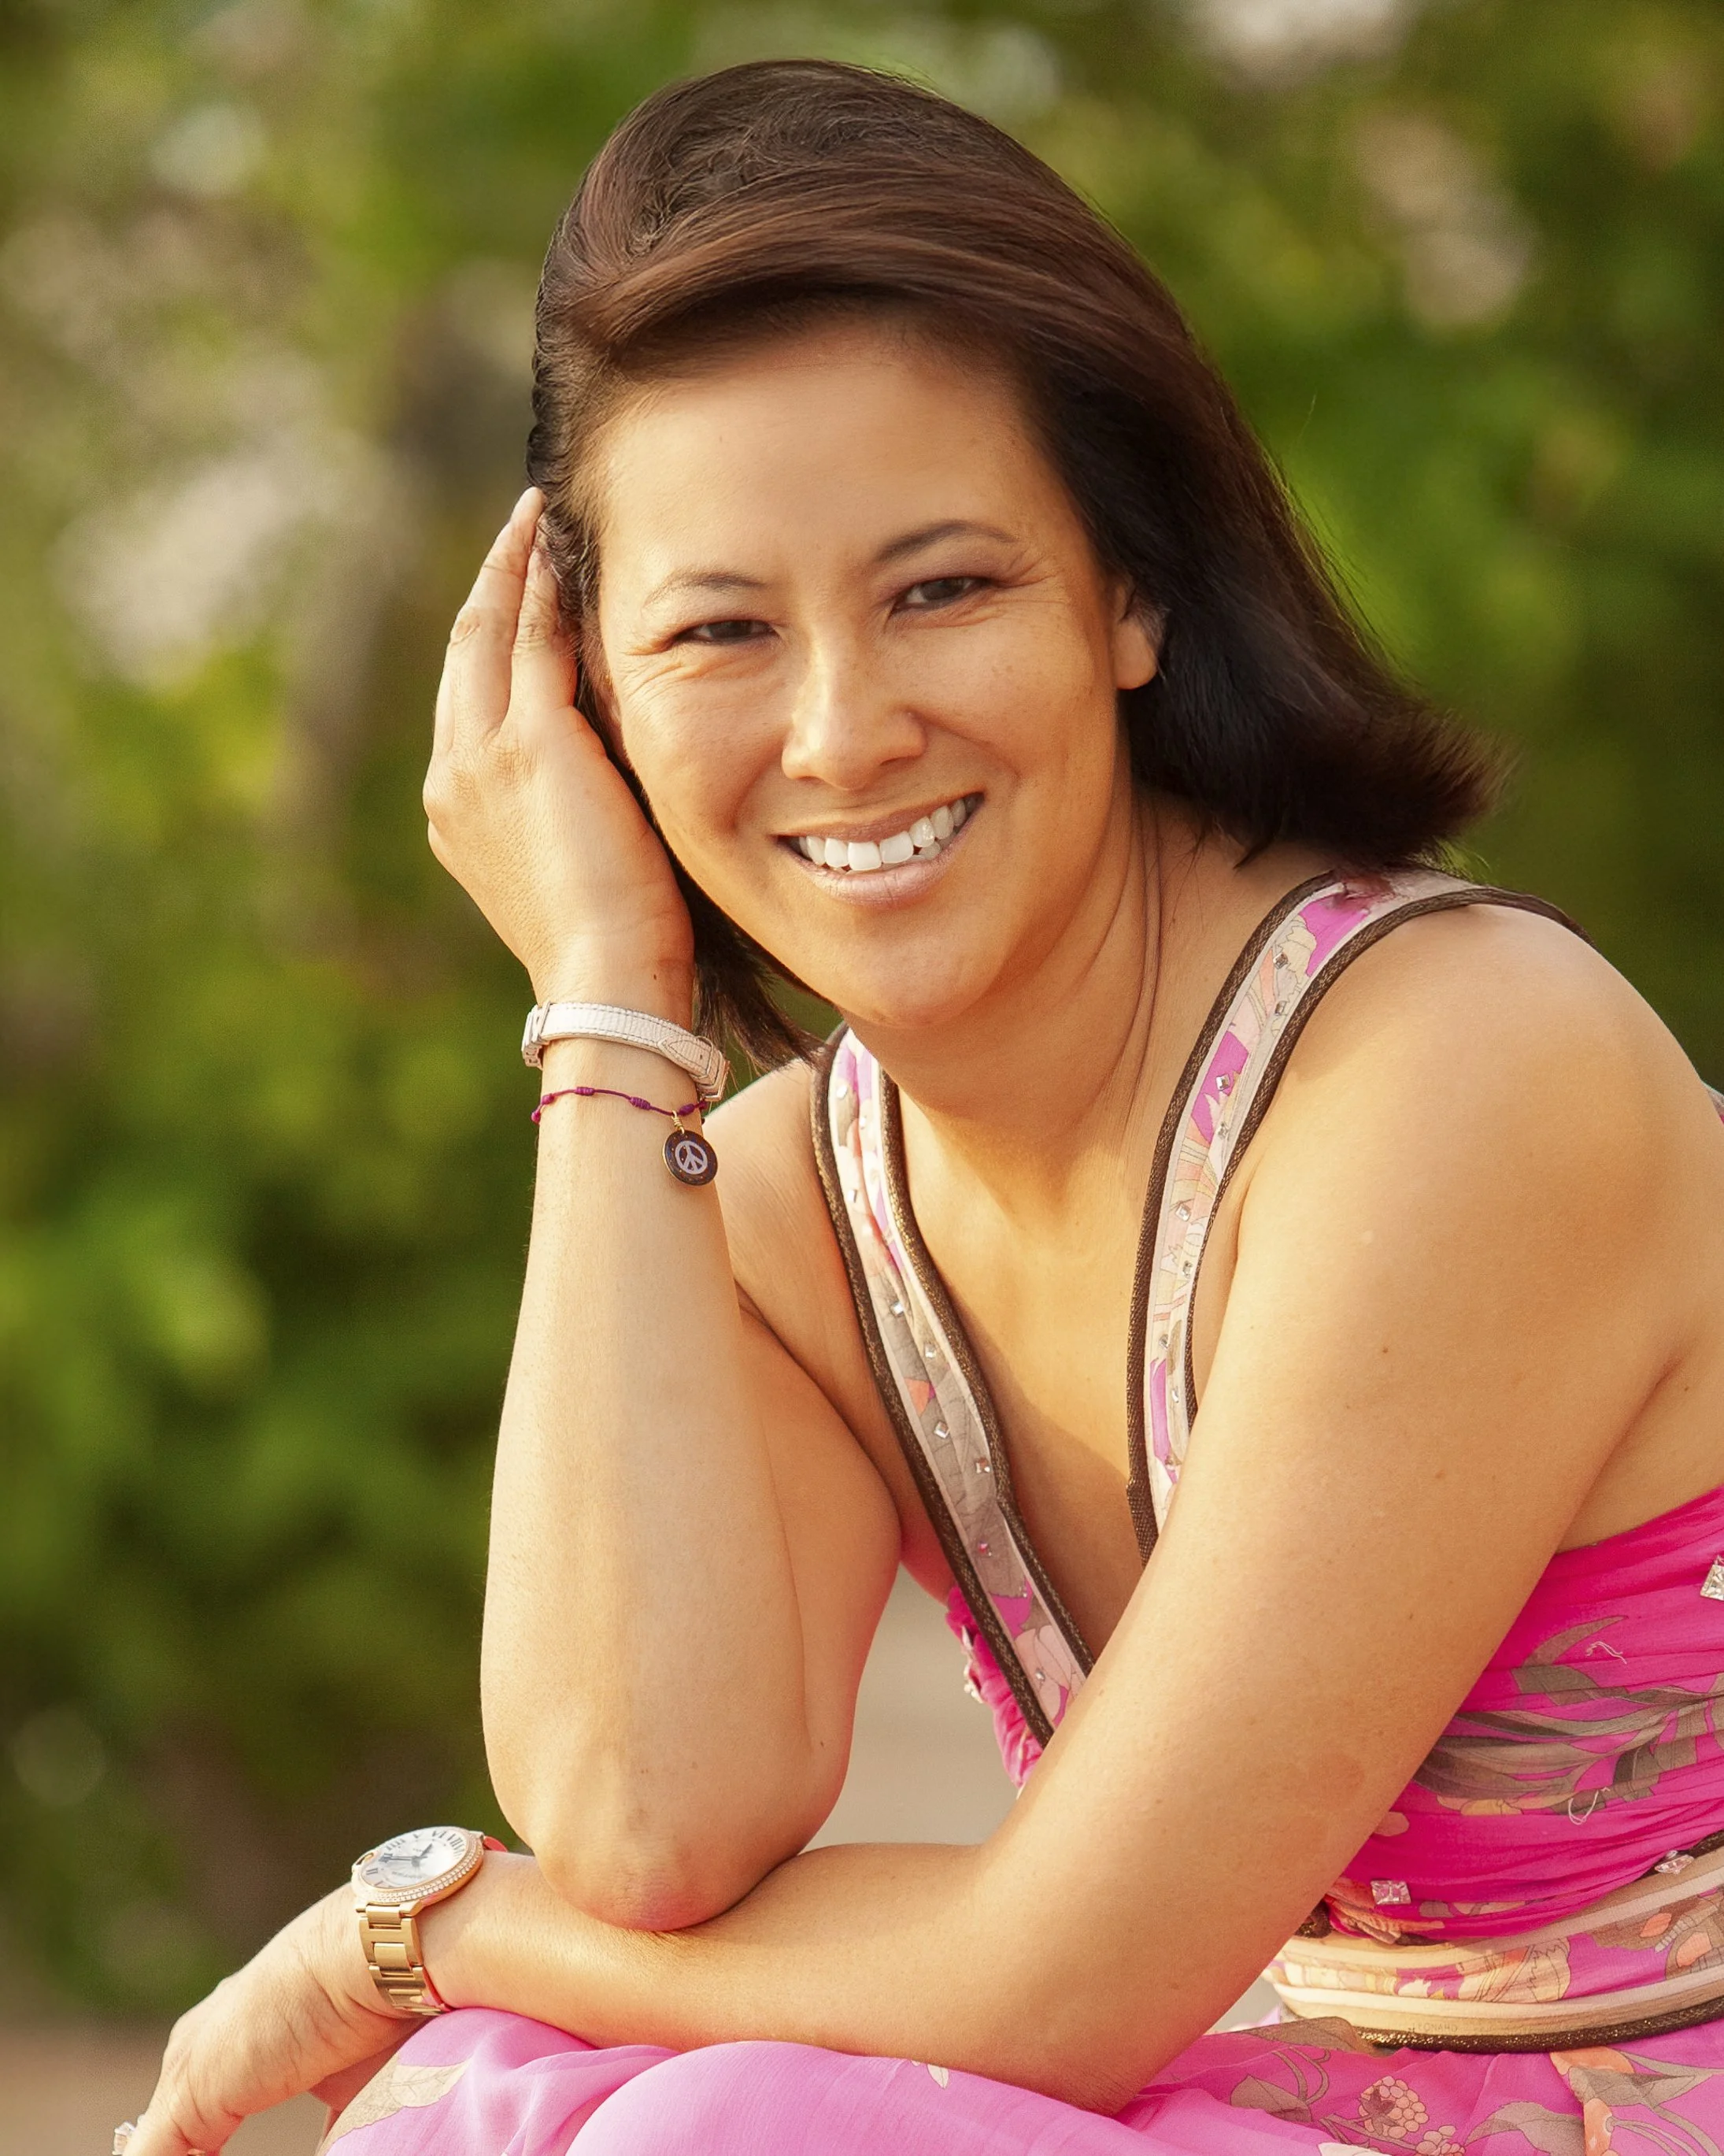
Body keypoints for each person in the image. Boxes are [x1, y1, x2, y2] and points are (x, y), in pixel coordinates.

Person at [127, 57, 1724, 2156]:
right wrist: (603, 1007)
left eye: (941, 590)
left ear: (1129, 592)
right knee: (500, 2098)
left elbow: (1056, 1994)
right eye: (718, 630)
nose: (843, 731)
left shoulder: (1451, 1073)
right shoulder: (793, 1207)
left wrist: (419, 1933)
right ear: (583, 697)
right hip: (1335, 2100)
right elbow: (643, 1828)